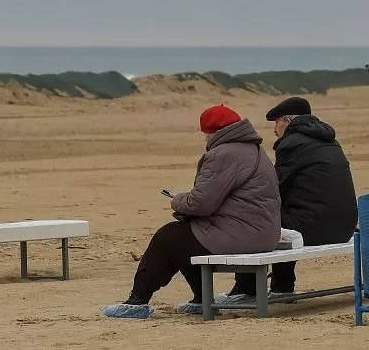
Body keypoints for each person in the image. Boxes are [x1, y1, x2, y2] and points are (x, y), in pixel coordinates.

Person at [102, 104, 281, 318]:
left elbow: (201, 203)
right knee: (188, 236)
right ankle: (202, 299)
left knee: (168, 237)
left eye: (205, 134)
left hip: (244, 235)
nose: (205, 139)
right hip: (263, 233)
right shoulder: (254, 149)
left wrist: (177, 201)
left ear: (213, 132)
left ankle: (137, 301)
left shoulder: (223, 154)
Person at [220, 96, 358, 303]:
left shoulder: (291, 143)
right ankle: (282, 286)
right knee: (287, 216)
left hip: (318, 228)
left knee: (256, 222)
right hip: (344, 226)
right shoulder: (328, 139)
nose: (275, 130)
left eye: (276, 123)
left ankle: (246, 290)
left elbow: (274, 188)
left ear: (287, 121)